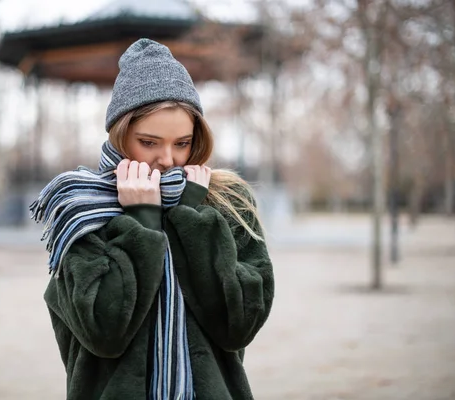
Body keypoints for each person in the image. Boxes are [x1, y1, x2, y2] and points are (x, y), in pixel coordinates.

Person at [30, 38, 275, 400]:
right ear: (120, 134)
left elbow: (240, 325)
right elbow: (104, 332)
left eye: (182, 143)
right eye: (149, 142)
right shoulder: (82, 209)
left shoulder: (227, 201)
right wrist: (142, 221)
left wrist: (189, 217)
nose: (168, 159)